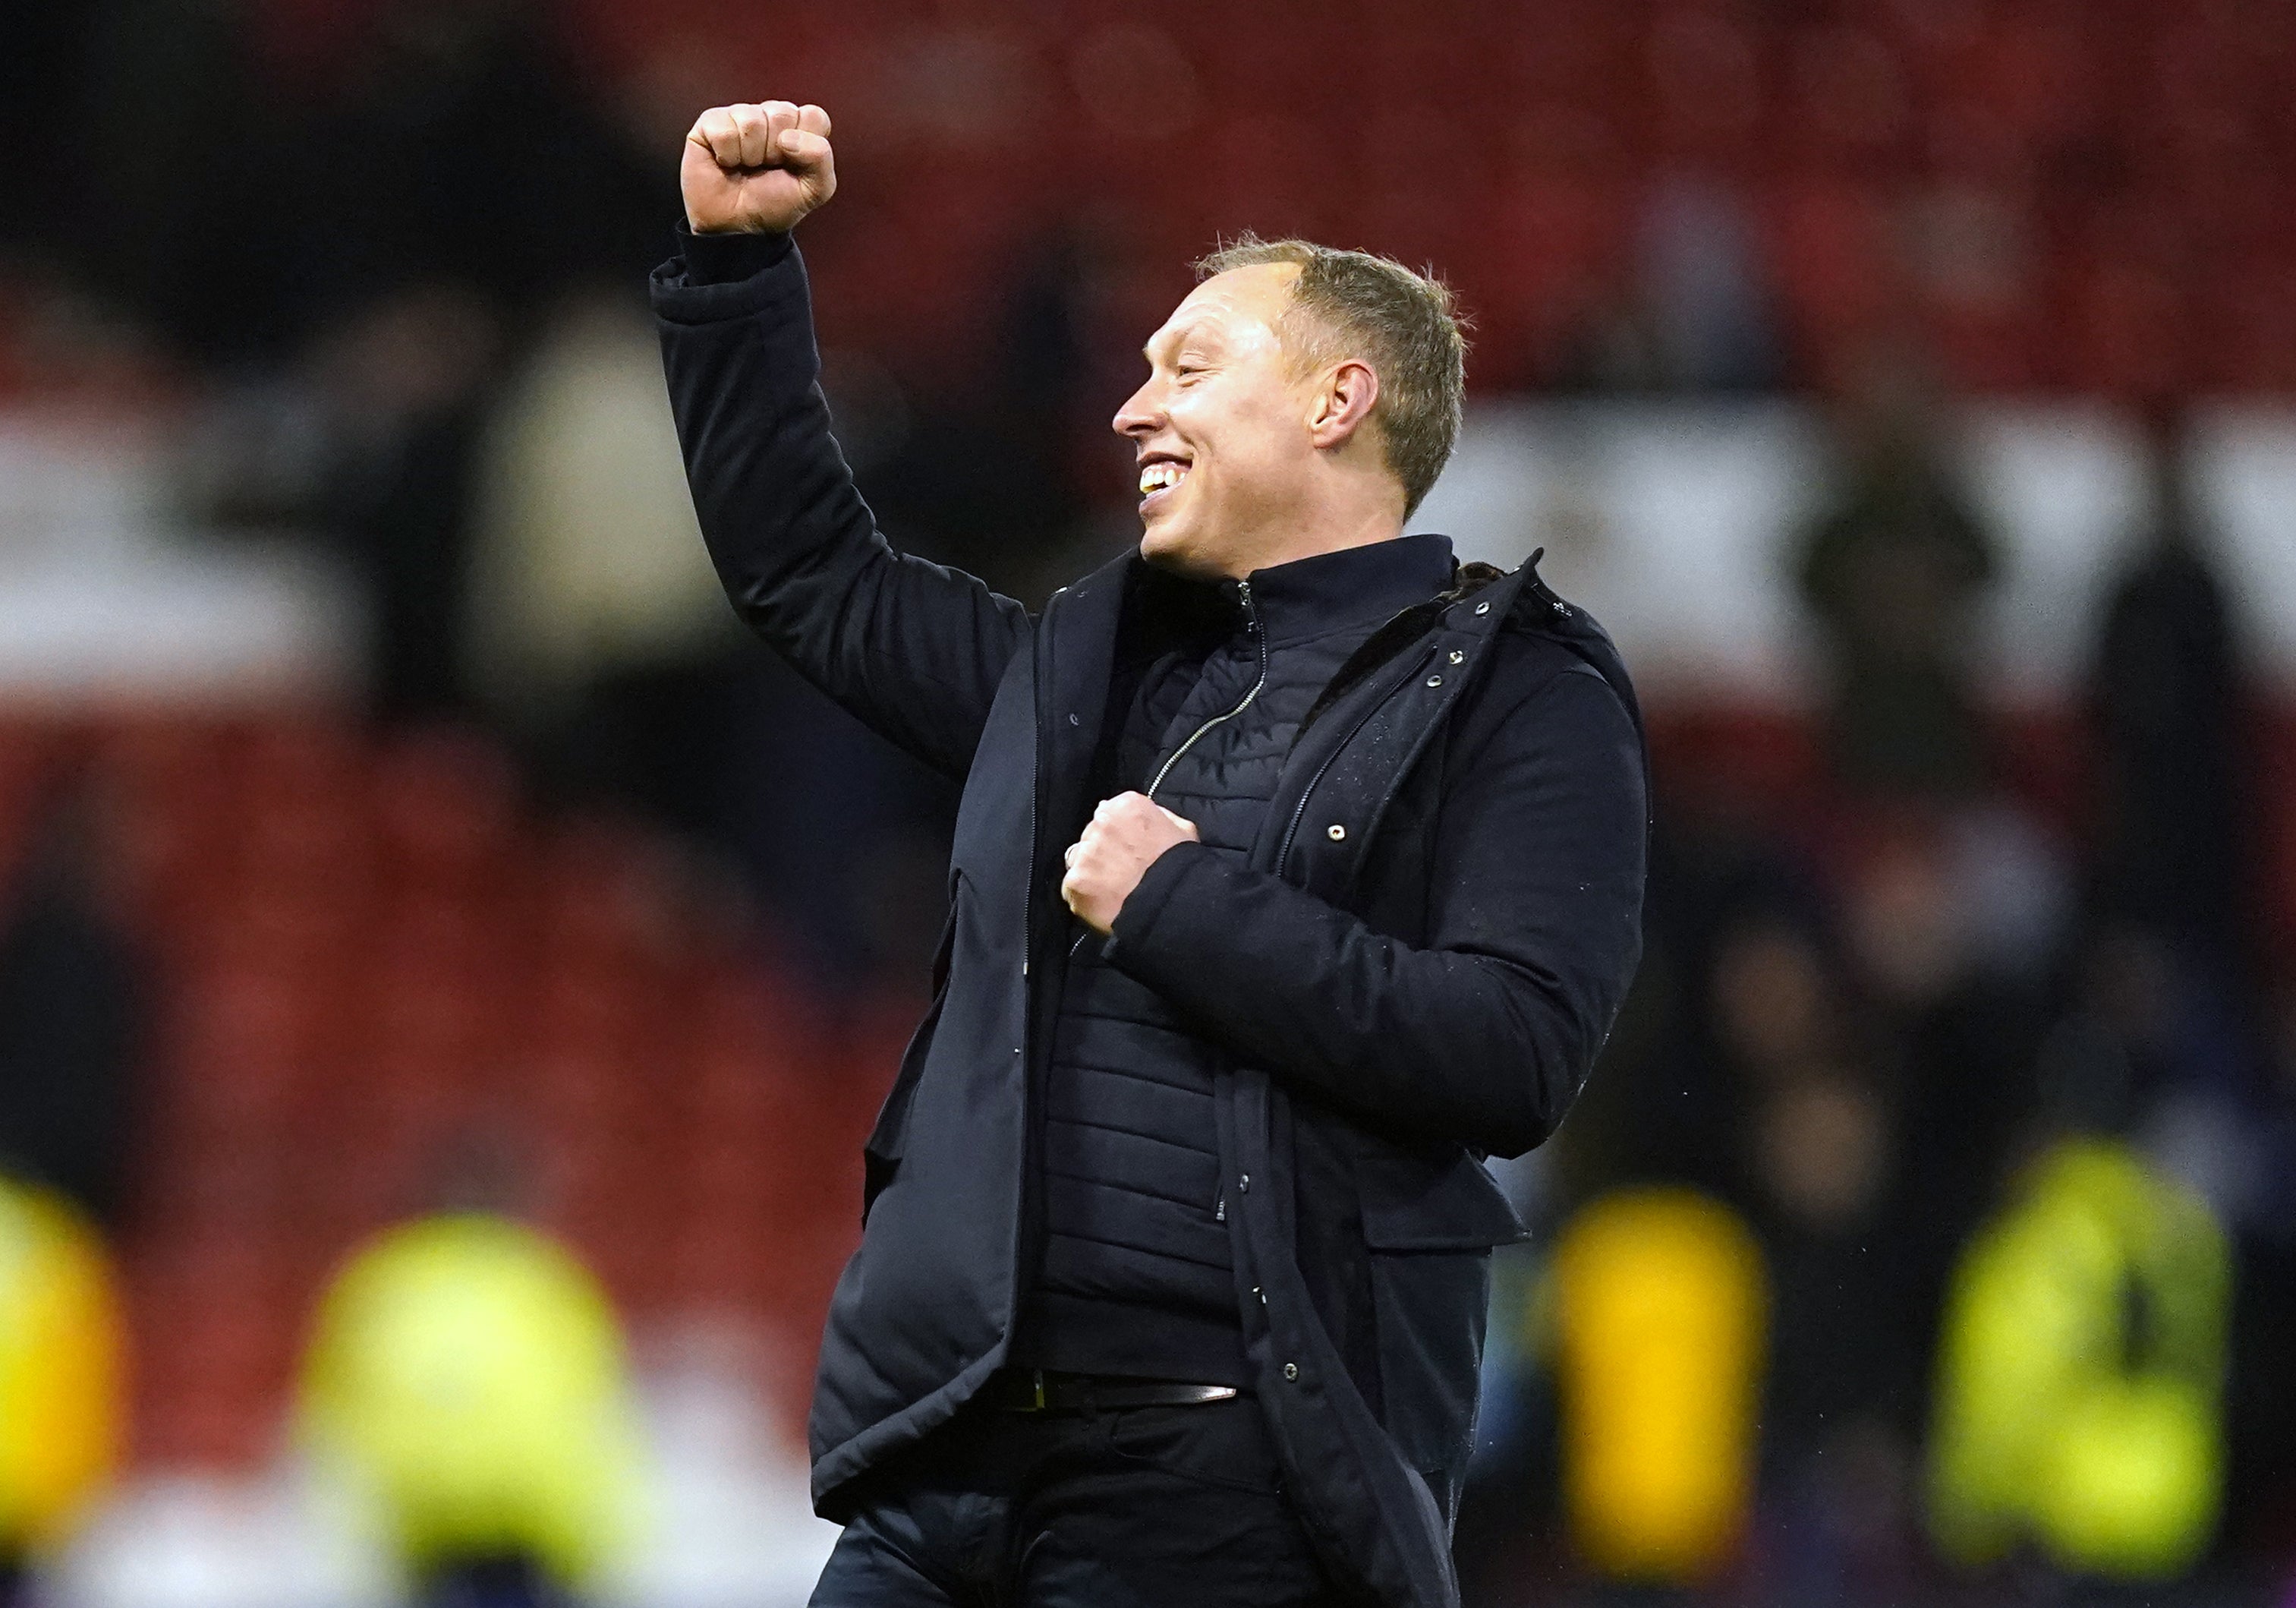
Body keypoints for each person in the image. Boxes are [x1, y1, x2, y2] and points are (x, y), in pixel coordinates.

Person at [652, 100, 1650, 1608]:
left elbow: (1509, 1052)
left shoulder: (1521, 695)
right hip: (950, 1471)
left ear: (1336, 401)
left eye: (1188, 367)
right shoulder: (1066, 680)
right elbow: (810, 575)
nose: (1132, 410)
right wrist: (737, 271)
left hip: (1228, 1487)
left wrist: (1181, 904)